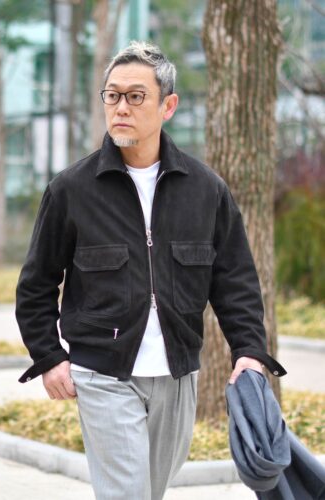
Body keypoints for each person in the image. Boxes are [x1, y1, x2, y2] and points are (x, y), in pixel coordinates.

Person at [15, 41, 286, 500]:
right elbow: (36, 285)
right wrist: (49, 355)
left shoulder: (206, 190)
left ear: (168, 106)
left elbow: (235, 281)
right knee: (128, 493)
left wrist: (249, 351)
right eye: (112, 95)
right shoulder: (71, 190)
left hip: (178, 376)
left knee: (150, 492)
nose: (121, 107)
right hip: (103, 375)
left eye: (136, 96)